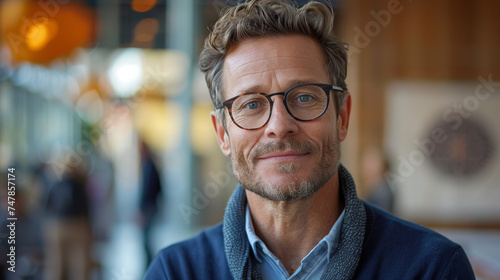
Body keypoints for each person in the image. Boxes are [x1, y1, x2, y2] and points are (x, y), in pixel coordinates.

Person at [145, 0, 475, 279]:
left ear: (341, 117)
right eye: (251, 104)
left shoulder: (433, 268)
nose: (279, 125)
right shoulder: (175, 271)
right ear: (222, 134)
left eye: (304, 97)